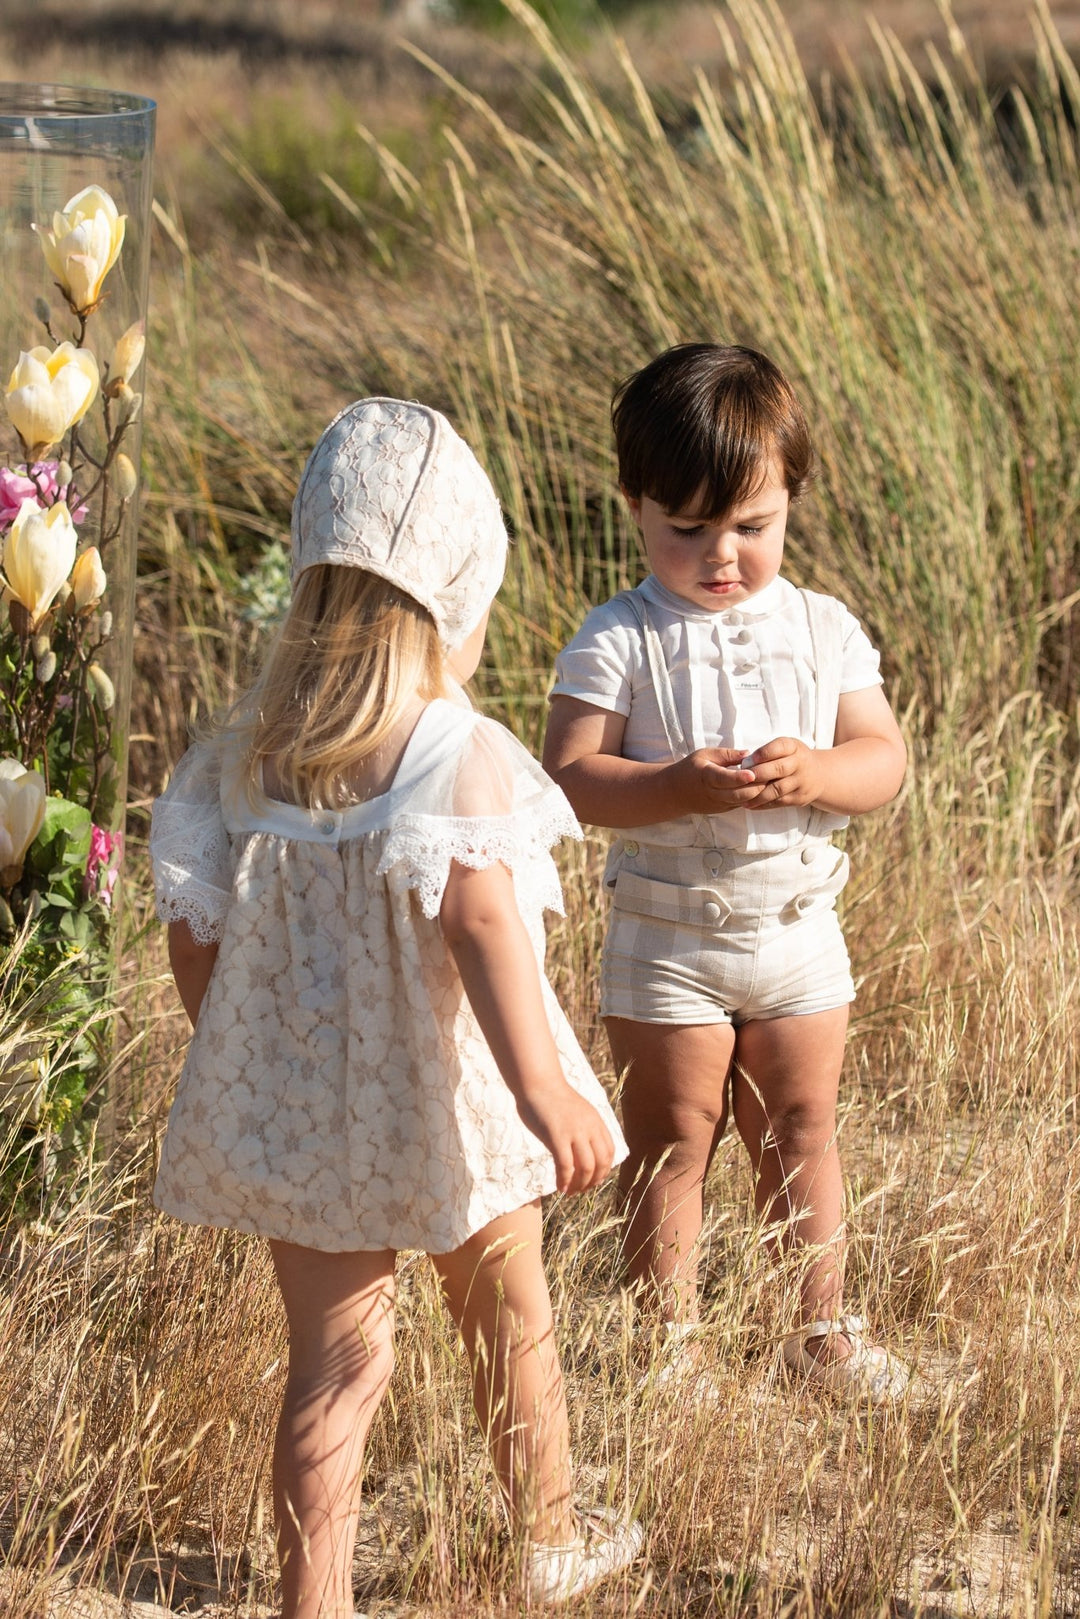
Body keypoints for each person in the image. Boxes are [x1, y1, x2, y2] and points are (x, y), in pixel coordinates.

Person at [150, 397, 642, 1617]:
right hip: (451, 1105)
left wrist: (243, 1055)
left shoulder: (238, 759)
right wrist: (544, 1086)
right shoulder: (450, 753)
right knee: (507, 1305)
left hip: (303, 1113)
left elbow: (195, 932)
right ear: (454, 604)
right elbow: (482, 928)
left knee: (333, 1364)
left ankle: (314, 1598)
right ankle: (549, 1535)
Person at [543, 344, 909, 1402]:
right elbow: (572, 775)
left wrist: (823, 771)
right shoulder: (618, 635)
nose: (721, 554)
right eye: (686, 528)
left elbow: (883, 760)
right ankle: (670, 1346)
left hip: (796, 923)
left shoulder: (822, 627)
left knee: (802, 1126)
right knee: (671, 1138)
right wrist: (675, 787)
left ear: (792, 495)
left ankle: (823, 1332)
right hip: (667, 936)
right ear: (634, 505)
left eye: (752, 525)